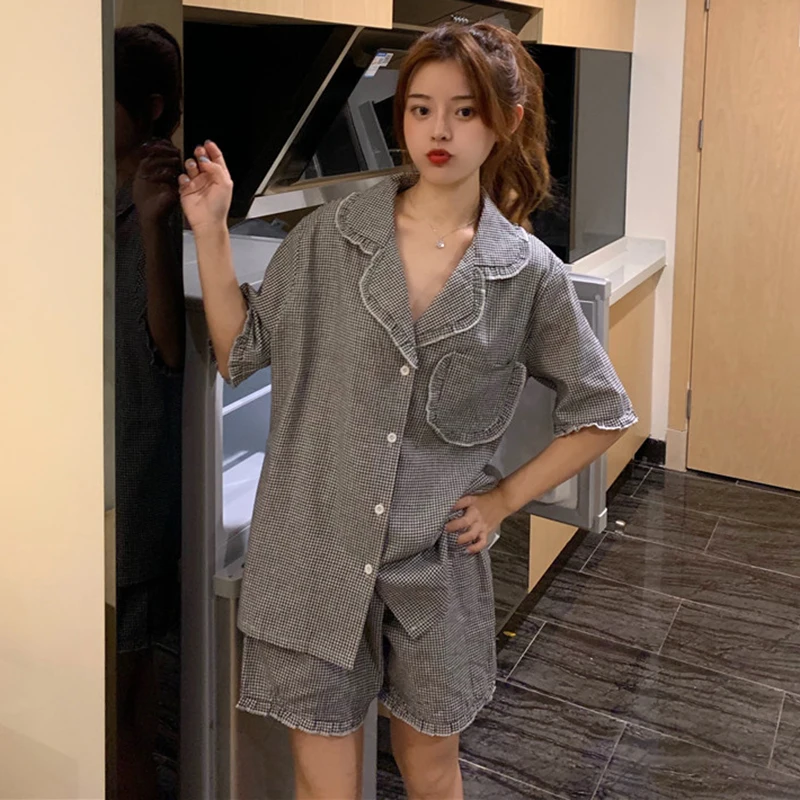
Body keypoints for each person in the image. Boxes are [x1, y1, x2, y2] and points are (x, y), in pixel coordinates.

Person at [179, 22, 636, 800]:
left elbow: (604, 411)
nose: (438, 131)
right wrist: (211, 230)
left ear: (505, 120)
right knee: (324, 783)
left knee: (430, 772)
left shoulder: (527, 274)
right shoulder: (332, 236)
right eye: (421, 109)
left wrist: (503, 498)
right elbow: (241, 350)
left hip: (435, 565)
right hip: (314, 550)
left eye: (464, 110)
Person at [114, 22, 185, 800]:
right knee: (120, 684)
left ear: (150, 107)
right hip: (100, 461)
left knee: (117, 694)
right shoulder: (92, 188)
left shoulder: (159, 199)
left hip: (133, 471)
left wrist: (155, 222)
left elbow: (168, 347)